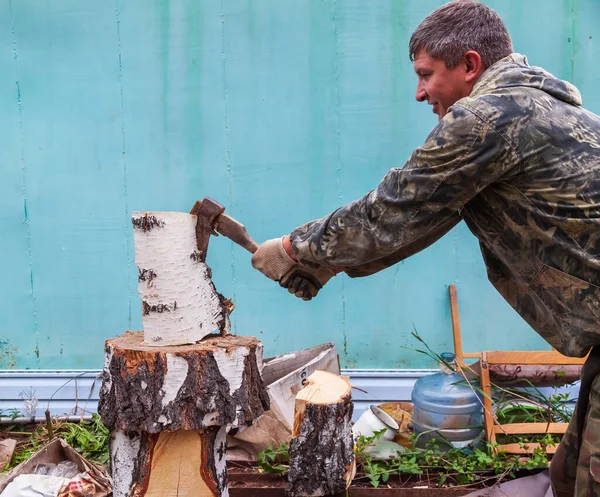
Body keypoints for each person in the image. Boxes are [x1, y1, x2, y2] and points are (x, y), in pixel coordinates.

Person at [250, 1, 600, 495]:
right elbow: (426, 218)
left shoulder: (487, 117)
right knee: (569, 476)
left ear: (470, 65)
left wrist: (294, 247)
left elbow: (393, 207)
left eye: (426, 75)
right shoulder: (537, 106)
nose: (419, 93)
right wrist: (329, 266)